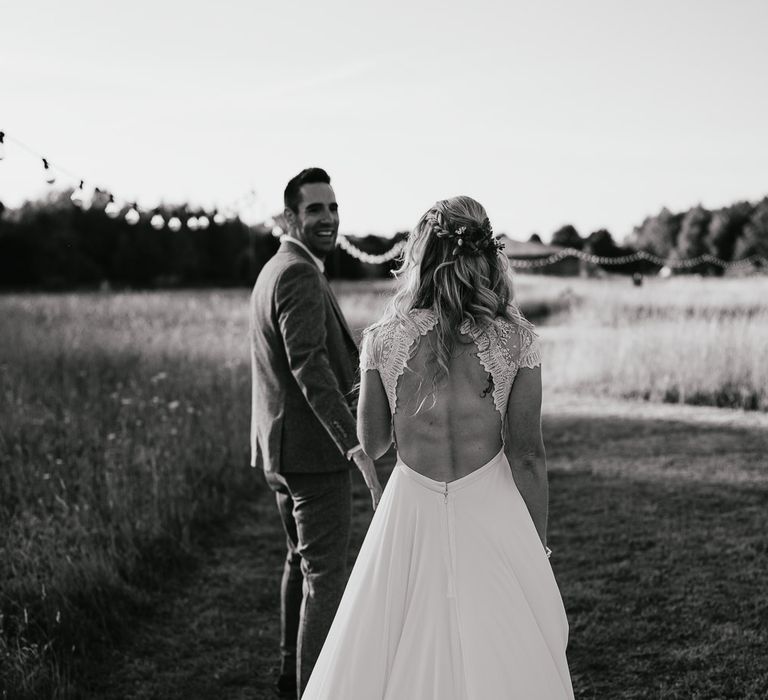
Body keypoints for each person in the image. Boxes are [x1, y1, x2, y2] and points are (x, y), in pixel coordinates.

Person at [301, 196, 574, 699]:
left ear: (420, 255)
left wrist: (376, 379)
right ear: (487, 255)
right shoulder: (516, 340)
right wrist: (535, 546)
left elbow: (375, 441)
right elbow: (527, 455)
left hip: (411, 512)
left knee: (388, 648)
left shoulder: (384, 339)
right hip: (492, 512)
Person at [249, 167, 382, 699]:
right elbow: (308, 364)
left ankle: (289, 672)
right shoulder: (298, 274)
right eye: (314, 210)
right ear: (290, 217)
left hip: (279, 451)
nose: (327, 218)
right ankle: (315, 690)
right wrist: (353, 443)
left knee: (298, 561)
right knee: (325, 576)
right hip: (312, 453)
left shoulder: (278, 267)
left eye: (332, 208)